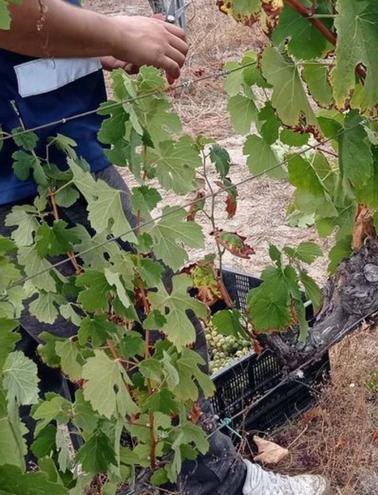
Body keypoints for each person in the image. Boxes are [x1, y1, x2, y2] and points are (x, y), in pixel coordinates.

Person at [0, 1, 329, 494]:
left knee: (29, 382)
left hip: (40, 150)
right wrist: (113, 33)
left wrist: (88, 48)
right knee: (153, 341)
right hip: (41, 177)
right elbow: (13, 13)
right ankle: (220, 487)